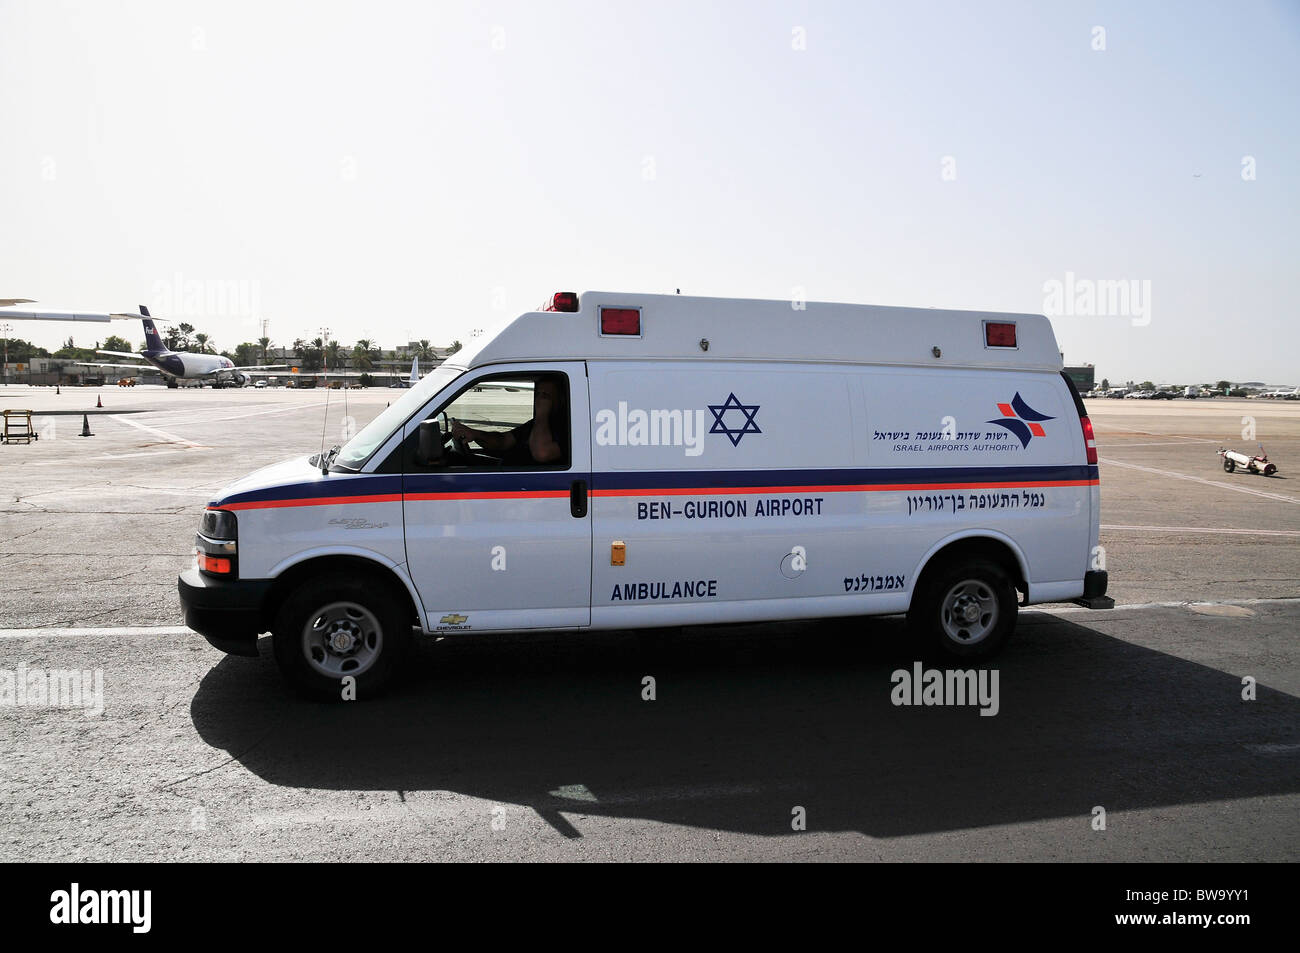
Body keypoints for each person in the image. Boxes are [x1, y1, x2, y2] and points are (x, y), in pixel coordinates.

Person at [449, 377, 567, 465]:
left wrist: (542, 414)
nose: (539, 399)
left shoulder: (568, 428)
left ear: (561, 399)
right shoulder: (534, 425)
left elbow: (542, 453)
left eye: (545, 396)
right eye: (538, 394)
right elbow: (503, 441)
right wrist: (475, 434)